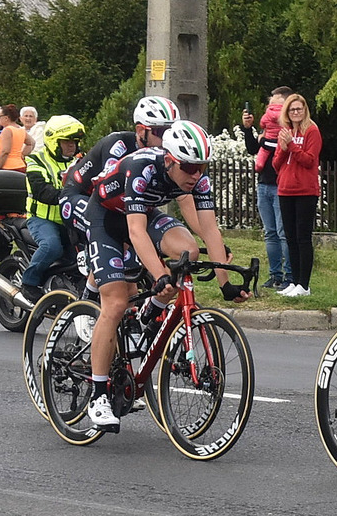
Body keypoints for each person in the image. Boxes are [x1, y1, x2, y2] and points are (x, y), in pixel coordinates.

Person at [84, 120, 250, 430]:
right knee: (117, 303)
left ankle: (152, 310)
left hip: (142, 214)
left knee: (189, 251)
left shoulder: (198, 180)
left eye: (201, 166)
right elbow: (134, 231)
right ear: (170, 159)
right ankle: (98, 395)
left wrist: (225, 283)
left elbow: (210, 230)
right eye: (189, 167)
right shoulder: (142, 167)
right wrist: (159, 274)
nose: (196, 174)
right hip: (105, 218)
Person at [59, 95, 180, 302]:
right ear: (142, 131)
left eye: (172, 132)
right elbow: (108, 198)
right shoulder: (118, 145)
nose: (167, 139)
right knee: (117, 243)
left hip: (119, 205)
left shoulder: (162, 155)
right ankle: (87, 299)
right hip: (81, 197)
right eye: (161, 132)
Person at [19, 116, 86, 303]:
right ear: (54, 141)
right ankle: (29, 283)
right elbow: (43, 191)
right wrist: (69, 195)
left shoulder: (82, 161)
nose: (72, 145)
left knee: (87, 252)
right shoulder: (36, 161)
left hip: (71, 220)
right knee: (52, 246)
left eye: (74, 141)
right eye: (66, 141)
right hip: (41, 219)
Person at [242, 86, 293, 290]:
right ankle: (275, 275)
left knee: (283, 233)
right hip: (264, 184)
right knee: (270, 233)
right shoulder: (267, 130)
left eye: (276, 104)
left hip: (282, 186)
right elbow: (254, 149)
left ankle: (290, 276)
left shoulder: (291, 129)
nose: (272, 108)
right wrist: (248, 129)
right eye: (270, 104)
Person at [273, 93, 322, 297]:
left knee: (303, 238)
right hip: (285, 189)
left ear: (305, 110)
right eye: (292, 109)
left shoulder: (312, 131)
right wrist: (284, 149)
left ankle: (304, 284)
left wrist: (292, 146)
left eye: (299, 109)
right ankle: (293, 282)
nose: (295, 113)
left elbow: (310, 160)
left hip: (305, 191)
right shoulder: (285, 132)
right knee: (290, 238)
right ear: (287, 112)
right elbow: (276, 164)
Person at [0, 104, 35, 171]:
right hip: (19, 166)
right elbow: (32, 143)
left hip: (7, 168)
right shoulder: (20, 129)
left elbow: (5, 151)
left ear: (6, 118)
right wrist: (21, 155)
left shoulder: (8, 130)